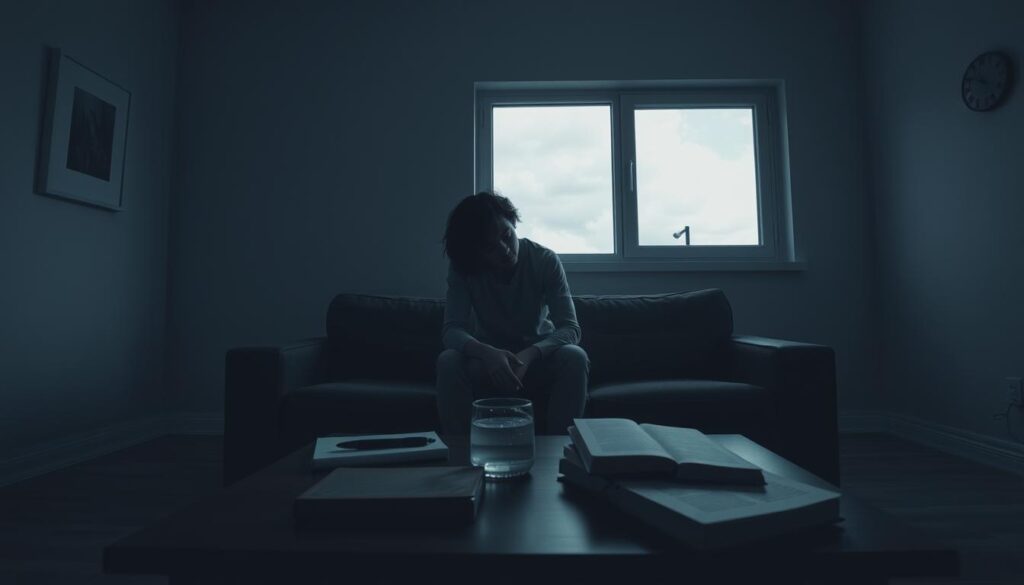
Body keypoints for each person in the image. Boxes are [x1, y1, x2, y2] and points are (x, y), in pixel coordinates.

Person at [436, 191, 590, 436]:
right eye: (489, 247)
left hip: (538, 360)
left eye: (507, 235)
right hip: (486, 363)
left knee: (575, 356)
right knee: (448, 361)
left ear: (513, 223)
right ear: (475, 253)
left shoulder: (544, 260)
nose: (505, 250)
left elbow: (570, 329)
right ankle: (461, 457)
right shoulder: (463, 270)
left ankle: (560, 455)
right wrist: (487, 353)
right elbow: (451, 330)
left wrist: (528, 356)